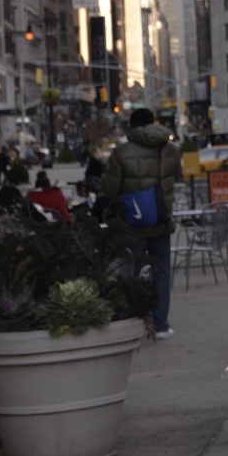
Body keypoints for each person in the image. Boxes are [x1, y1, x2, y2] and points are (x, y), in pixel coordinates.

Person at [99, 107, 182, 338]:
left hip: (131, 223)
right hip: (161, 219)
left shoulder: (121, 152)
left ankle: (134, 323)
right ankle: (161, 325)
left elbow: (111, 189)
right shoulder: (171, 149)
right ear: (153, 123)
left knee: (131, 273)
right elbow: (177, 177)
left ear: (132, 126)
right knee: (162, 272)